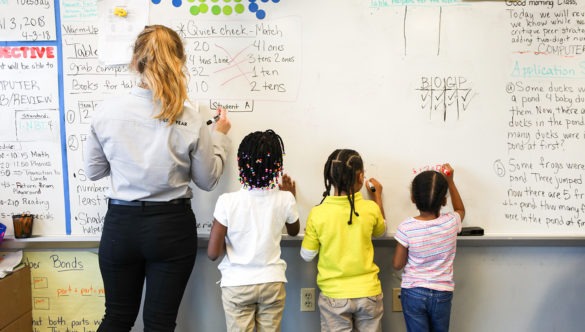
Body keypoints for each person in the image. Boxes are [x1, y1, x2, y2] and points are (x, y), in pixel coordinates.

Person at [84, 25, 231, 331]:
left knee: (117, 317)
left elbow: (94, 171)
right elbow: (207, 180)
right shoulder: (189, 116)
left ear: (135, 60)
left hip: (121, 226)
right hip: (171, 228)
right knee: (160, 323)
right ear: (179, 61)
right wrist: (219, 138)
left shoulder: (106, 111)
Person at [207, 129, 300, 332]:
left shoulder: (227, 202)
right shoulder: (285, 199)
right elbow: (294, 231)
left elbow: (213, 253)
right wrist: (291, 198)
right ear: (277, 167)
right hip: (272, 282)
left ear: (241, 164)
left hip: (237, 284)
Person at [300, 149, 386, 332]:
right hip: (368, 292)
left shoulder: (318, 213)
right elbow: (381, 231)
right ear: (361, 177)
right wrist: (377, 196)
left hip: (334, 295)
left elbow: (307, 255)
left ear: (330, 177)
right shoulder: (370, 208)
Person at [392, 163, 465, 332]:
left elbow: (397, 264)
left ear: (413, 198)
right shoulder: (451, 222)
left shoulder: (406, 227)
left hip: (413, 292)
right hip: (442, 292)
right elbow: (460, 209)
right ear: (444, 200)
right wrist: (451, 182)